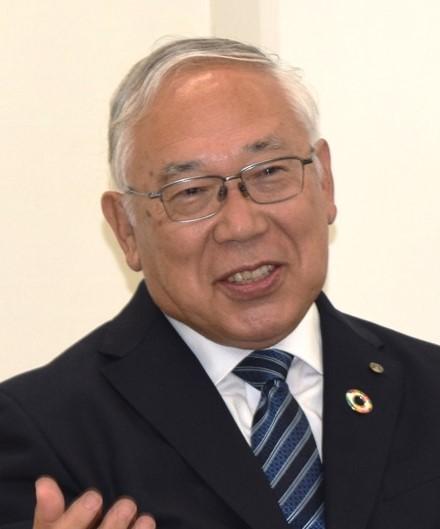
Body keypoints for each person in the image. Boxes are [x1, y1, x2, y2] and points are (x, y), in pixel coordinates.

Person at [1, 37, 440, 529]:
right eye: (190, 192)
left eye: (270, 172)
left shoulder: (430, 388)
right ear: (126, 229)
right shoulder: (39, 435)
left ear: (325, 182)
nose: (241, 225)